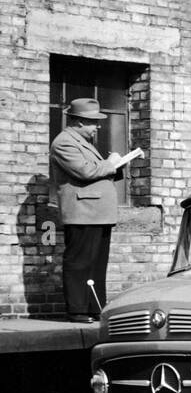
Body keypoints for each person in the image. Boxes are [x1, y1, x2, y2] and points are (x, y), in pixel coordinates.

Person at [50, 98, 123, 322]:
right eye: (93, 122)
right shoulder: (64, 143)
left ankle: (94, 307)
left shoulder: (81, 141)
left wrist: (115, 165)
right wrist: (111, 163)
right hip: (83, 211)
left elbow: (94, 171)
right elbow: (84, 172)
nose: (97, 126)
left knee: (97, 264)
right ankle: (78, 310)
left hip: (97, 211)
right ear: (79, 122)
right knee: (80, 262)